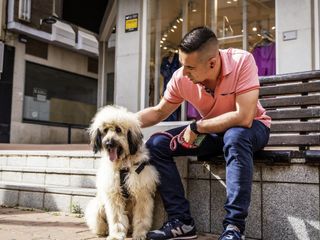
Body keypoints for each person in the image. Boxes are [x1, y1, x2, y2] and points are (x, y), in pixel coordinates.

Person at [136, 26, 271, 240]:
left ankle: (234, 228)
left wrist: (197, 127)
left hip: (252, 128)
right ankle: (182, 222)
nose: (183, 72)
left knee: (234, 136)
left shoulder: (241, 61)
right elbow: (159, 111)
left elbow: (244, 117)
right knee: (156, 144)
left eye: (190, 67)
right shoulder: (182, 77)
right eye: (182, 65)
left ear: (212, 63)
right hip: (215, 132)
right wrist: (122, 123)